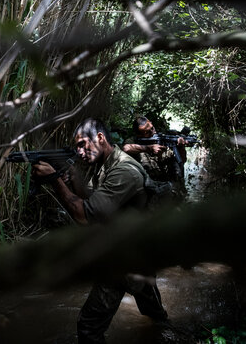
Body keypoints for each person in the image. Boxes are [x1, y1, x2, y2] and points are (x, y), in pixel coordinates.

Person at [32, 118, 171, 344]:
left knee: (88, 327)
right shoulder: (107, 163)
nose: (79, 152)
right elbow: (99, 202)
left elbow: (85, 216)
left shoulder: (125, 170)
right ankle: (166, 333)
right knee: (154, 312)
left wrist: (54, 180)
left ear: (99, 138)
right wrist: (75, 180)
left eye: (81, 144)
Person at [122, 116, 188, 196]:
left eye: (152, 128)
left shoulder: (163, 139)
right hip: (149, 186)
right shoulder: (133, 141)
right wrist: (148, 148)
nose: (153, 132)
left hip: (167, 183)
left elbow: (182, 162)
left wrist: (181, 147)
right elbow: (126, 148)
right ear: (139, 135)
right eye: (147, 132)